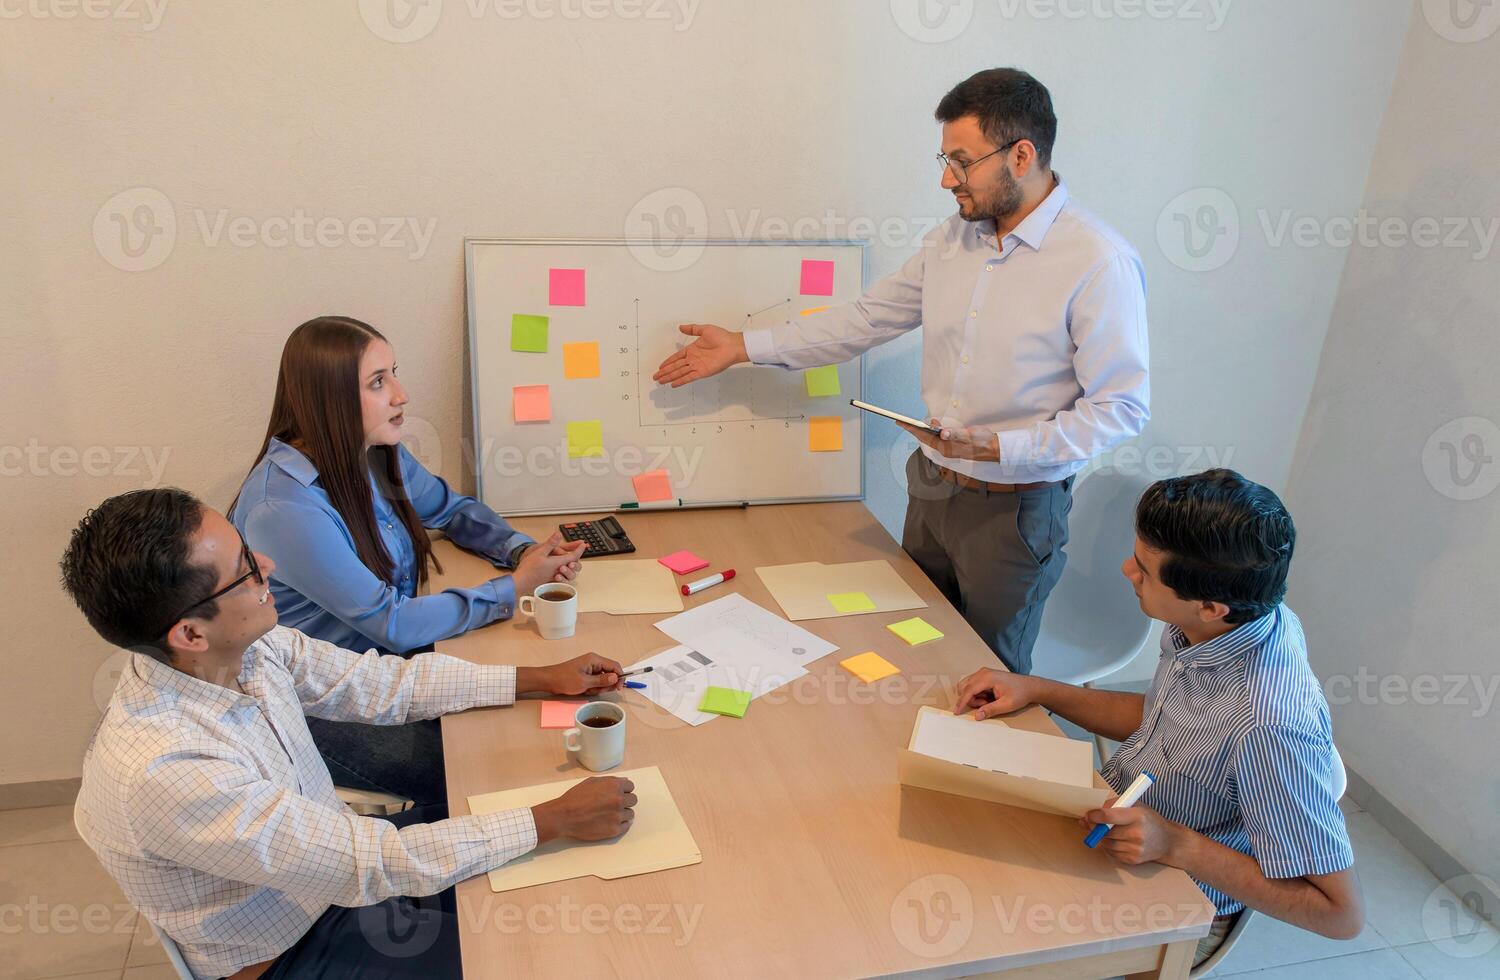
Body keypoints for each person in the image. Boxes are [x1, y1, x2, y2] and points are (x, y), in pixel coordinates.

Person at [653, 67, 1149, 675]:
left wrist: (1005, 448)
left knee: (987, 681)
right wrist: (743, 345)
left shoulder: (1099, 262)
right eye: (943, 159)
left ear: (1021, 155)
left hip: (1016, 510)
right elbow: (864, 319)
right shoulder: (954, 240)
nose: (947, 179)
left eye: (961, 162)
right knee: (917, 649)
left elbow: (1121, 408)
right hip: (932, 485)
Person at [63, 488, 633, 980]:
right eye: (245, 569)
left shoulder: (246, 648)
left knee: (521, 844)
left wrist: (539, 679)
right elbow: (373, 864)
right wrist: (549, 819)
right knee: (535, 947)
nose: (269, 565)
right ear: (190, 632)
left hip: (328, 873)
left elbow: (381, 684)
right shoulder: (167, 770)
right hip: (292, 949)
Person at [954, 470, 1362, 967]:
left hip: (1178, 891)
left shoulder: (1269, 727)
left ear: (1211, 606)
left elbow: (1340, 915)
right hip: (1117, 825)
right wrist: (1038, 689)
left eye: (1145, 570)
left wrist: (1178, 844)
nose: (1127, 569)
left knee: (975, 934)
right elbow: (1162, 720)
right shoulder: (1216, 625)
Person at [230, 315, 586, 804]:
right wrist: (516, 587)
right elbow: (392, 622)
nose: (402, 394)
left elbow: (451, 509)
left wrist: (520, 551)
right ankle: (414, 871)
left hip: (387, 668)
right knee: (475, 770)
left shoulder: (371, 450)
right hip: (320, 701)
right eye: (379, 382)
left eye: (393, 372)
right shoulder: (285, 508)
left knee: (515, 716)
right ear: (329, 400)